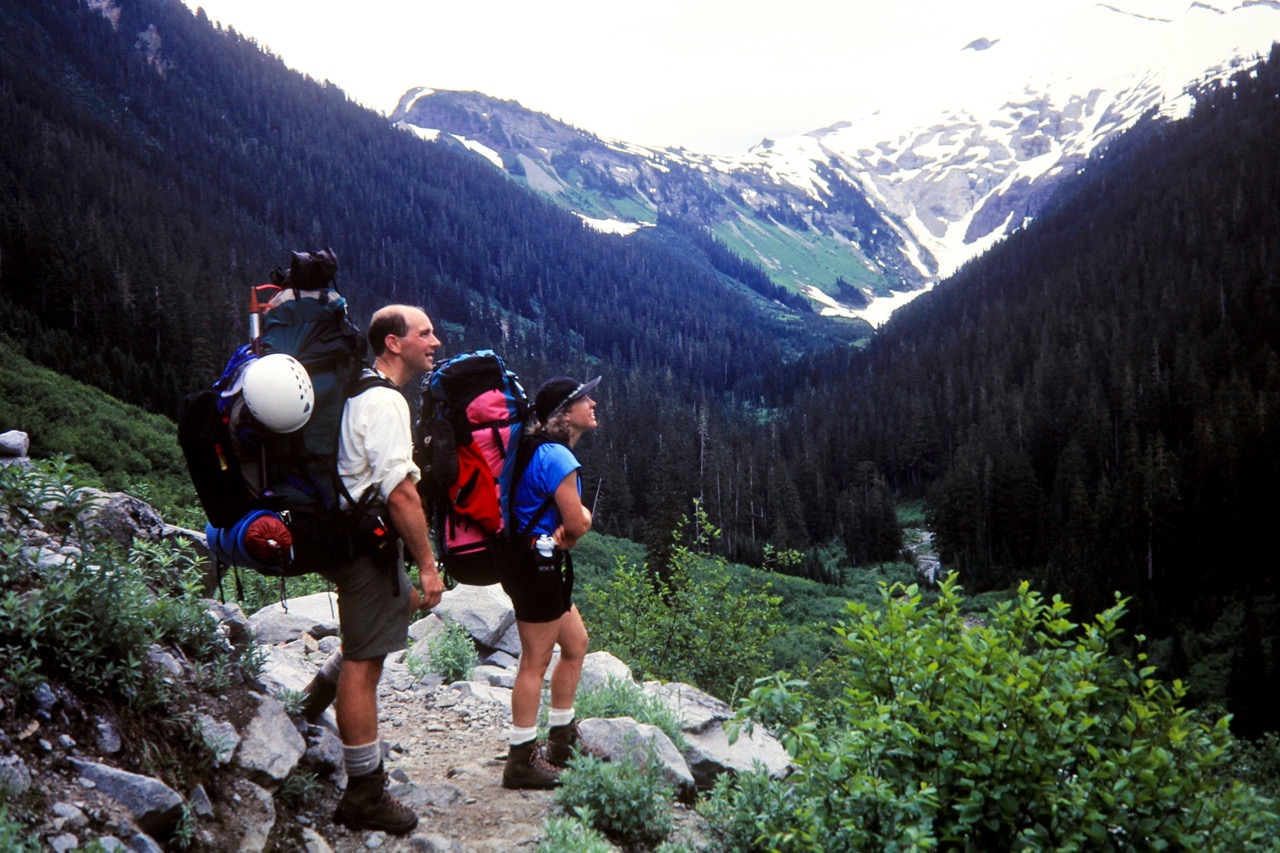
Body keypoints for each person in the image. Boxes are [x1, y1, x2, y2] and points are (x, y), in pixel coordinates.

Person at [322, 304, 446, 834]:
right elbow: (400, 493)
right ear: (394, 344)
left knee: (374, 634)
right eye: (424, 334)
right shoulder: (386, 402)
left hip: (351, 539)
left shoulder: (362, 393)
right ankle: (364, 795)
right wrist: (427, 564)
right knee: (364, 662)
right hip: (363, 545)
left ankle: (305, 709)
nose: (435, 341)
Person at [501, 375, 604, 789]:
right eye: (583, 399)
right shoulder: (558, 457)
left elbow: (569, 529)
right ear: (564, 414)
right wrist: (583, 524)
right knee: (535, 661)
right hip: (537, 568)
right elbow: (577, 521)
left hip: (537, 564)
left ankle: (561, 740)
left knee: (576, 643)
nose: (593, 403)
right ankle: (521, 759)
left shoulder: (535, 450)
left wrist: (572, 532)